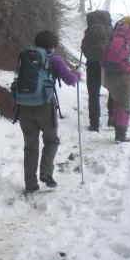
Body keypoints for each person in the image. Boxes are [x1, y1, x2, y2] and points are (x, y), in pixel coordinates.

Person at [17, 30, 80, 192]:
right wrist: (77, 75)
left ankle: (30, 184)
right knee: (51, 141)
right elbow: (69, 79)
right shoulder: (54, 59)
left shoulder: (26, 55)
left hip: (24, 106)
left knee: (30, 146)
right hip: (45, 105)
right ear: (53, 45)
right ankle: (46, 173)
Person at [80, 10, 114, 131]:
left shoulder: (90, 29)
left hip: (93, 64)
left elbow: (83, 46)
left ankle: (94, 124)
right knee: (112, 91)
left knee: (93, 94)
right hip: (109, 64)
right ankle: (112, 118)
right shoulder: (111, 29)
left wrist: (90, 55)